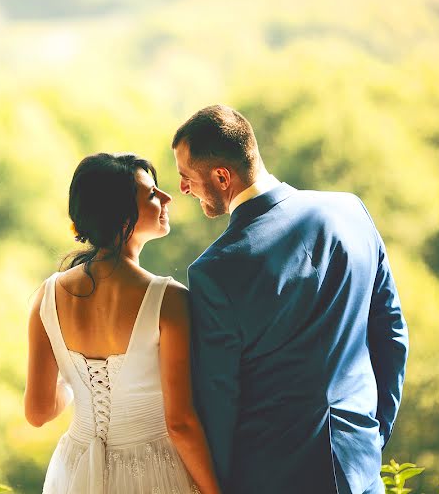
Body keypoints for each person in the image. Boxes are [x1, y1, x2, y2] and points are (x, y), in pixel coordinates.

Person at [171, 104, 409, 494]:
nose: (183, 188)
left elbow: (219, 400)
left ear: (221, 176)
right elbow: (392, 332)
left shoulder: (215, 270)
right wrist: (372, 430)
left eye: (186, 177)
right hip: (360, 461)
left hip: (273, 475)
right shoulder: (350, 210)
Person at [25, 152, 221, 494]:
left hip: (75, 471)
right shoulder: (168, 300)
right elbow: (180, 423)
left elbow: (38, 412)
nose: (167, 197)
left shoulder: (47, 296)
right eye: (151, 194)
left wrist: (76, 382)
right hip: (154, 471)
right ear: (120, 215)